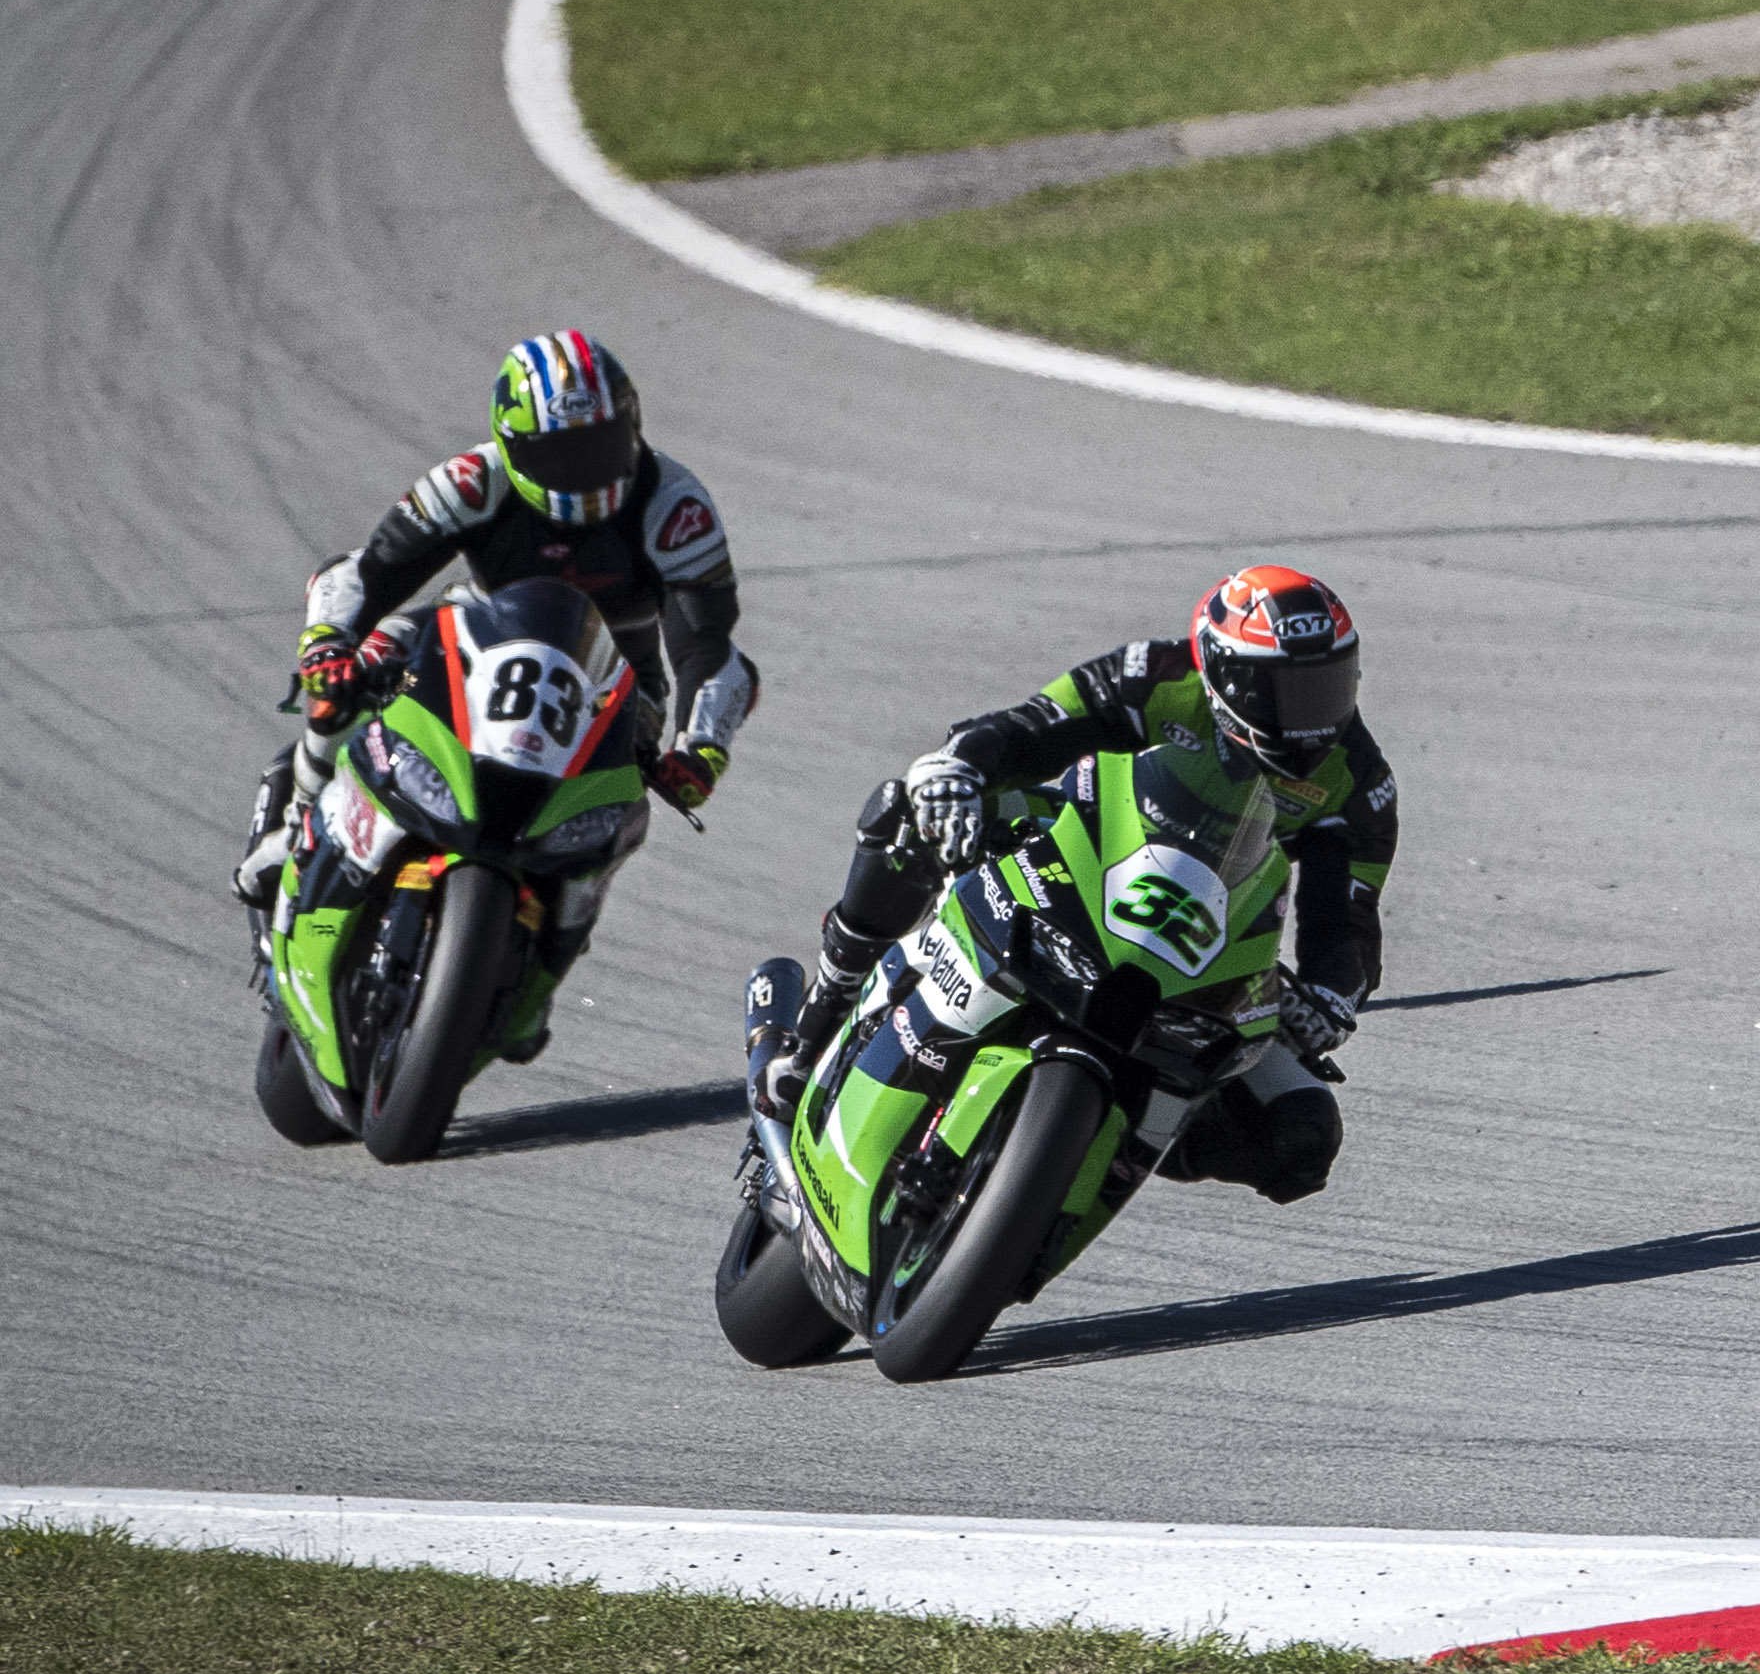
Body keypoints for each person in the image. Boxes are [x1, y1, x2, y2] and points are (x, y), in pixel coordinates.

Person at [760, 565, 1396, 1209]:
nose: (1317, 717)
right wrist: (957, 770)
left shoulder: (1359, 781)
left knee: (1301, 1138)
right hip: (1075, 849)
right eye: (1293, 693)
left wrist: (1327, 998)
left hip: (1200, 941)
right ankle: (818, 1022)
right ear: (1229, 676)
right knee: (907, 811)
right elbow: (1028, 727)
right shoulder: (1157, 676)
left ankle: (1101, 1155)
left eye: (1332, 684)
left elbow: (1348, 919)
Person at [235, 331, 755, 1063]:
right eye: (560, 455)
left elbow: (709, 647)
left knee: (612, 818)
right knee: (358, 668)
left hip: (615, 679)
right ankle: (298, 824)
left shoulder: (673, 506)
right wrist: (328, 644)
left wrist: (701, 748)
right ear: (511, 446)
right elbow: (364, 572)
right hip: (466, 638)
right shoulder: (473, 480)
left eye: (602, 446)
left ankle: (541, 975)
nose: (584, 471)